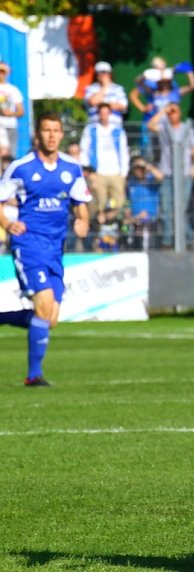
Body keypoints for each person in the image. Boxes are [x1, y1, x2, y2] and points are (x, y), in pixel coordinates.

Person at [0, 111, 91, 386]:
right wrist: (8, 223)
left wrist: (83, 221)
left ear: (61, 134)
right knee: (43, 306)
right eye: (46, 130)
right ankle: (34, 376)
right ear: (37, 135)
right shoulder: (21, 167)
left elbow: (80, 204)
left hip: (55, 248)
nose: (51, 135)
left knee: (49, 319)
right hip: (29, 245)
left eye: (56, 130)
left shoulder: (72, 168)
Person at [147, 102, 194, 249]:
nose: (172, 115)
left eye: (174, 111)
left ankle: (187, 240)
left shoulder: (187, 129)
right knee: (165, 209)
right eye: (170, 113)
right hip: (167, 174)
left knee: (181, 209)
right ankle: (167, 241)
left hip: (185, 174)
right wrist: (164, 110)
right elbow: (150, 125)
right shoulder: (164, 128)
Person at [79, 102, 130, 217]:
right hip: (98, 173)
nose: (104, 116)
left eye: (106, 113)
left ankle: (117, 226)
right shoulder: (91, 130)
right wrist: (89, 171)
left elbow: (124, 151)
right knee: (99, 206)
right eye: (102, 113)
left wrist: (124, 173)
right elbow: (84, 150)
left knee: (119, 205)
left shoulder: (118, 131)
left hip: (116, 173)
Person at [125, 155, 163, 251]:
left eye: (141, 168)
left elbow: (161, 177)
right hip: (134, 222)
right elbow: (127, 202)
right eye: (136, 168)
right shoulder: (131, 183)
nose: (139, 171)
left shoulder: (151, 180)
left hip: (150, 221)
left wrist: (145, 165)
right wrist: (129, 215)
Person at [84, 61, 128, 126]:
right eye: (100, 73)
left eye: (105, 72)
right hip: (94, 124)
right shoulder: (90, 88)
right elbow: (92, 102)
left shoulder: (118, 89)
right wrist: (105, 86)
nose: (103, 75)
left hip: (114, 124)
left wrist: (103, 105)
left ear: (110, 74)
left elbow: (123, 106)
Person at [0, 61, 25, 156]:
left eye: (3, 71)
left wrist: (10, 113)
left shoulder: (13, 90)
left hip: (10, 126)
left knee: (10, 156)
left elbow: (21, 111)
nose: (1, 74)